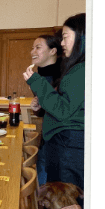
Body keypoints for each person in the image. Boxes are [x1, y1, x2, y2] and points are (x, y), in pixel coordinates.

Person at [23, 12, 86, 209]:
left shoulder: (81, 69)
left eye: (65, 36)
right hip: (65, 143)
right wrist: (43, 105)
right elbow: (64, 106)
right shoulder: (76, 67)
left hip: (68, 146)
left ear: (81, 37)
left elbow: (62, 109)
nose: (62, 42)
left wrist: (35, 83)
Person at [27, 33, 63, 186]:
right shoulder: (40, 75)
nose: (32, 51)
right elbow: (47, 108)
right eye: (32, 48)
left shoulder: (63, 76)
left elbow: (60, 109)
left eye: (38, 47)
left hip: (60, 141)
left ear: (53, 51)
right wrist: (38, 108)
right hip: (47, 137)